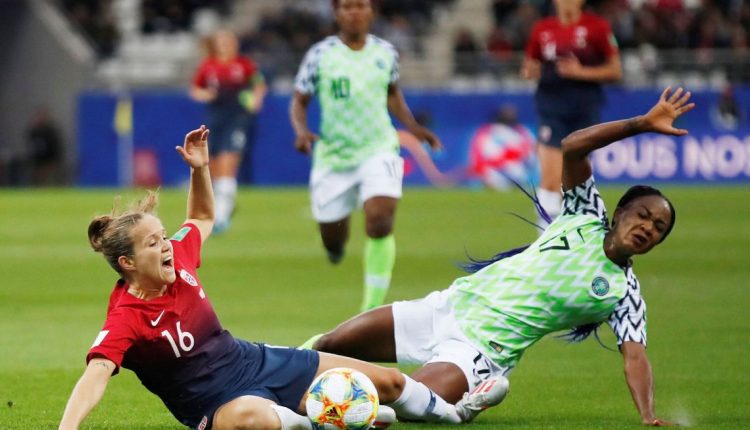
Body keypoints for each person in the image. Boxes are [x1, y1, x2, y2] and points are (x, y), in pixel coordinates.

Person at [57, 125, 493, 430]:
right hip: (217, 404)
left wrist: (200, 168)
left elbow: (202, 217)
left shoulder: (180, 258)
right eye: (152, 244)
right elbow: (95, 376)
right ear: (128, 263)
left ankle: (456, 412)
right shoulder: (127, 317)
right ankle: (326, 418)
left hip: (255, 361)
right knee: (255, 421)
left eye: (162, 236)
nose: (166, 245)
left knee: (390, 381)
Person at [306, 88, 695, 426]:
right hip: (446, 307)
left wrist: (648, 415)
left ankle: (453, 408)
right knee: (331, 343)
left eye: (658, 228)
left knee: (403, 399)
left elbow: (635, 358)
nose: (648, 227)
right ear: (621, 212)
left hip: (480, 352)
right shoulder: (585, 214)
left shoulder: (624, 294)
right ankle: (282, 376)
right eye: (643, 215)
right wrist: (641, 124)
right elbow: (574, 145)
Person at [289, 0, 442, 311]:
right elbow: (299, 100)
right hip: (334, 157)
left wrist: (412, 126)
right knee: (333, 238)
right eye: (347, 6)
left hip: (379, 147)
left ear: (372, 11)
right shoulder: (321, 55)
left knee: (381, 219)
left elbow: (392, 93)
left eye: (360, 6)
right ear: (336, 13)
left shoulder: (385, 52)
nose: (354, 12)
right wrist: (301, 131)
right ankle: (334, 248)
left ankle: (370, 307)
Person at [521, 0, 622, 228]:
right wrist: (530, 70)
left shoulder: (597, 27)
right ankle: (545, 238)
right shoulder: (542, 28)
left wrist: (580, 72)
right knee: (550, 177)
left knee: (572, 182)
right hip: (551, 108)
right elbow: (528, 66)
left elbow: (615, 70)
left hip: (584, 111)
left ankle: (568, 231)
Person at [190, 29, 267, 233]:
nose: (224, 45)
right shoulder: (208, 66)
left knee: (228, 163)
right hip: (215, 120)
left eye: (228, 41)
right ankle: (225, 206)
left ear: (235, 44)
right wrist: (205, 94)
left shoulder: (244, 65)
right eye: (221, 41)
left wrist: (256, 100)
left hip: (238, 119)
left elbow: (259, 84)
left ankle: (221, 217)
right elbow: (195, 90)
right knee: (214, 167)